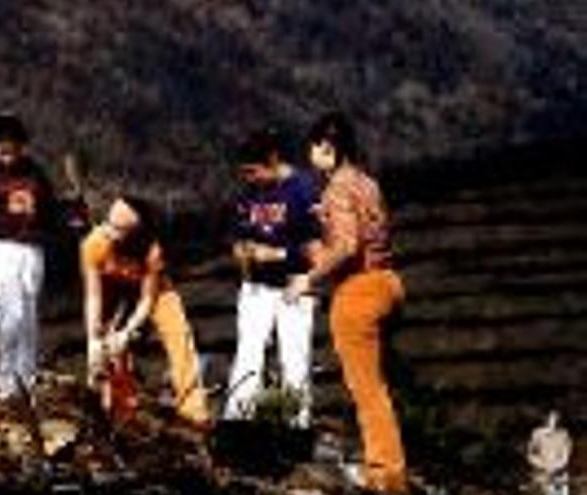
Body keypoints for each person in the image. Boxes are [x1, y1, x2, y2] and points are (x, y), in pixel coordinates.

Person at [288, 112, 408, 493]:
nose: (311, 156)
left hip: (358, 291)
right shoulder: (367, 183)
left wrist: (309, 275)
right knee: (380, 386)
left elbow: (347, 245)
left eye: (313, 148)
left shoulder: (337, 188)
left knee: (366, 389)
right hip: (388, 282)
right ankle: (387, 465)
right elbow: (369, 233)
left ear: (326, 147)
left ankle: (386, 475)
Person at [80, 196, 210, 427]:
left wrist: (129, 331)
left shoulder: (152, 250)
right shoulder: (94, 244)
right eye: (108, 222)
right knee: (112, 350)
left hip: (157, 292)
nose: (109, 231)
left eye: (118, 229)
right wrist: (93, 338)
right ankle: (121, 413)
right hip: (112, 290)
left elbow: (147, 299)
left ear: (136, 232)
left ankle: (194, 413)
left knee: (179, 338)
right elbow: (93, 295)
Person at [222, 129, 321, 428]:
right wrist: (241, 251)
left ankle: (297, 426)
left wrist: (277, 255)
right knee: (248, 353)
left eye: (254, 171)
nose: (249, 178)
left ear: (273, 160)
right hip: (256, 285)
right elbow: (239, 232)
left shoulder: (303, 190)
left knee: (294, 359)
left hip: (294, 285)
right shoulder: (248, 193)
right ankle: (237, 423)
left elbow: (318, 251)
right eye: (244, 173)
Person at [0, 114, 60, 399]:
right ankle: (5, 382)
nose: (7, 155)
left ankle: (26, 382)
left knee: (29, 316)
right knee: (10, 314)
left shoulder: (34, 172)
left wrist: (69, 222)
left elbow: (50, 213)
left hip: (31, 250)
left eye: (13, 149)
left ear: (22, 146)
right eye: (1, 149)